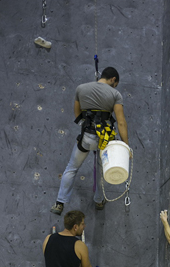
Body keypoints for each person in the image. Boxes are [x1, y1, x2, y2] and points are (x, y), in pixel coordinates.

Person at [51, 67, 129, 215]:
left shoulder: (81, 89)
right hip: (105, 140)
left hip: (86, 137)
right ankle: (99, 201)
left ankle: (59, 202)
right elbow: (121, 122)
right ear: (113, 79)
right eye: (115, 83)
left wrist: (86, 126)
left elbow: (77, 112)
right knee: (101, 172)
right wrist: (126, 147)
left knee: (72, 168)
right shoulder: (115, 94)